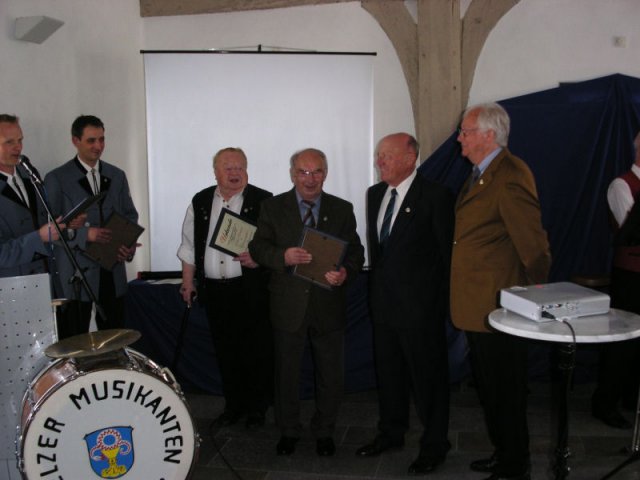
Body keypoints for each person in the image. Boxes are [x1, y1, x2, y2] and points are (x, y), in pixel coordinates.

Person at [450, 103, 551, 480]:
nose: (459, 138)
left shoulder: (509, 173)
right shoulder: (481, 173)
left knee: (505, 389)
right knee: (491, 387)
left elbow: (533, 244)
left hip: (500, 304)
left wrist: (532, 291)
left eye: (465, 131)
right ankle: (504, 451)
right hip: (479, 303)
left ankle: (515, 463)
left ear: (489, 135)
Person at [249, 148, 364, 457]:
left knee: (330, 375)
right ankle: (289, 430)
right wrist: (283, 256)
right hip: (287, 305)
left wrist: (346, 272)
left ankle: (325, 431)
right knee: (286, 374)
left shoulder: (342, 209)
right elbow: (258, 247)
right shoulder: (272, 207)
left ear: (325, 174)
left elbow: (355, 251)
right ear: (292, 174)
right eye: (303, 172)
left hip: (328, 303)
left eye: (316, 172)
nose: (310, 179)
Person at [356, 133, 454, 474]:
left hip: (421, 313)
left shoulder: (436, 196)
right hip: (383, 308)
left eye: (386, 155)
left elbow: (447, 257)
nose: (379, 162)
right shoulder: (374, 194)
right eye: (378, 155)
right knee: (389, 376)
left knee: (429, 382)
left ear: (410, 158)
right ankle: (391, 433)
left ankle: (435, 444)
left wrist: (438, 308)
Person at [177, 147, 273, 429]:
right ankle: (233, 406)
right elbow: (189, 246)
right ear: (216, 172)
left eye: (240, 167)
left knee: (255, 351)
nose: (235, 173)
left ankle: (257, 409)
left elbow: (276, 246)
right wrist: (187, 282)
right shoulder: (201, 200)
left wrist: (259, 258)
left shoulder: (264, 201)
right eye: (228, 168)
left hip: (250, 290)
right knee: (225, 351)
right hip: (215, 292)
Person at [44, 115, 139, 339]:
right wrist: (86, 234)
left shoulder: (116, 175)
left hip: (111, 270)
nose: (98, 146)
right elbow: (49, 230)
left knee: (114, 338)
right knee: (74, 340)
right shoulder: (57, 178)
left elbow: (129, 215)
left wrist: (128, 245)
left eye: (102, 139)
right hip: (76, 273)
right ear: (75, 141)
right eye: (91, 140)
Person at [591, 131, 640, 429]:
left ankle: (631, 398)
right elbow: (629, 228)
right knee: (623, 341)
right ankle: (605, 402)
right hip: (631, 276)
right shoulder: (621, 185)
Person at [0, 114, 64, 277]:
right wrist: (39, 237)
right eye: (9, 142)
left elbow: (41, 220)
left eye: (20, 140)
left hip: (47, 276)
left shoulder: (29, 174)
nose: (18, 147)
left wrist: (65, 224)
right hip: (12, 284)